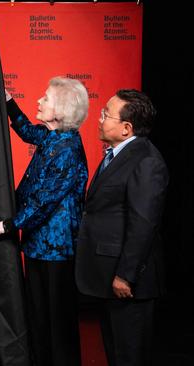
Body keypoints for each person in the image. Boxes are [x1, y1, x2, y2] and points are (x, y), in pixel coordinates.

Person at [0, 77, 89, 366]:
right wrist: (7, 101)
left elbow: (44, 202)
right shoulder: (53, 137)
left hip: (57, 251)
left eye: (46, 99)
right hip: (40, 247)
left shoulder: (67, 149)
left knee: (56, 321)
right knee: (39, 316)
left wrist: (5, 226)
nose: (39, 101)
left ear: (61, 111)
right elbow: (27, 131)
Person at [75, 89, 168, 366]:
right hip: (108, 276)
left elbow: (143, 224)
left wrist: (126, 276)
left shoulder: (147, 161)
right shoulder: (117, 155)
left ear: (126, 128)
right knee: (115, 354)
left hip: (127, 284)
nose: (99, 119)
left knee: (129, 358)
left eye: (106, 114)